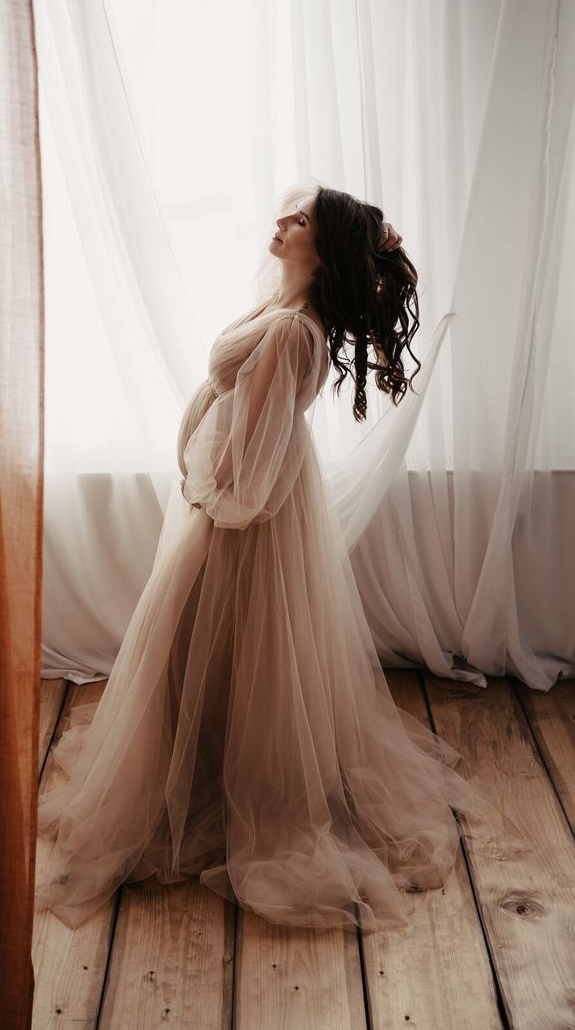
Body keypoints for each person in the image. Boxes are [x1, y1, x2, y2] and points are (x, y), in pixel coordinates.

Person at [35, 180, 493, 933]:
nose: (281, 221)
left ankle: (211, 786)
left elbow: (258, 447)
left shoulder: (290, 331)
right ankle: (205, 771)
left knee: (212, 643)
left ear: (326, 247)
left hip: (244, 512)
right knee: (218, 652)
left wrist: (218, 510)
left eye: (302, 218)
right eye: (289, 210)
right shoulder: (279, 311)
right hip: (234, 500)